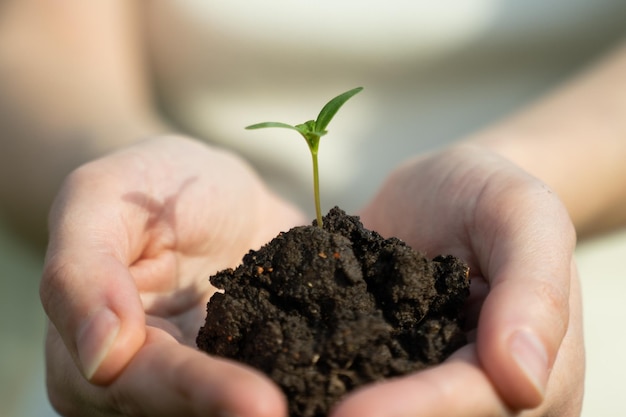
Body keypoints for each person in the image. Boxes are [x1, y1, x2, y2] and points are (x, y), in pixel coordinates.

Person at [1, 1, 625, 416]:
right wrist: (116, 175)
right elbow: (29, 36)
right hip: (168, 289)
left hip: (539, 285)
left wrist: (525, 184)